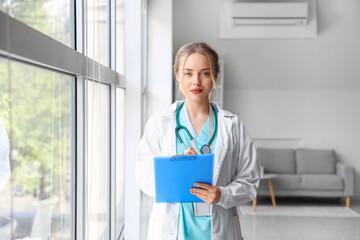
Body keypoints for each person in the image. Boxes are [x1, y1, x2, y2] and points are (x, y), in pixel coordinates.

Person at [136, 42, 261, 240]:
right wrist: (174, 169)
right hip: (173, 231)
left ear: (215, 76)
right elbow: (143, 176)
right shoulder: (160, 123)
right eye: (188, 73)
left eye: (204, 73)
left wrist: (222, 194)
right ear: (177, 75)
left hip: (217, 229)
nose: (196, 81)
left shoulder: (232, 125)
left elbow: (251, 181)